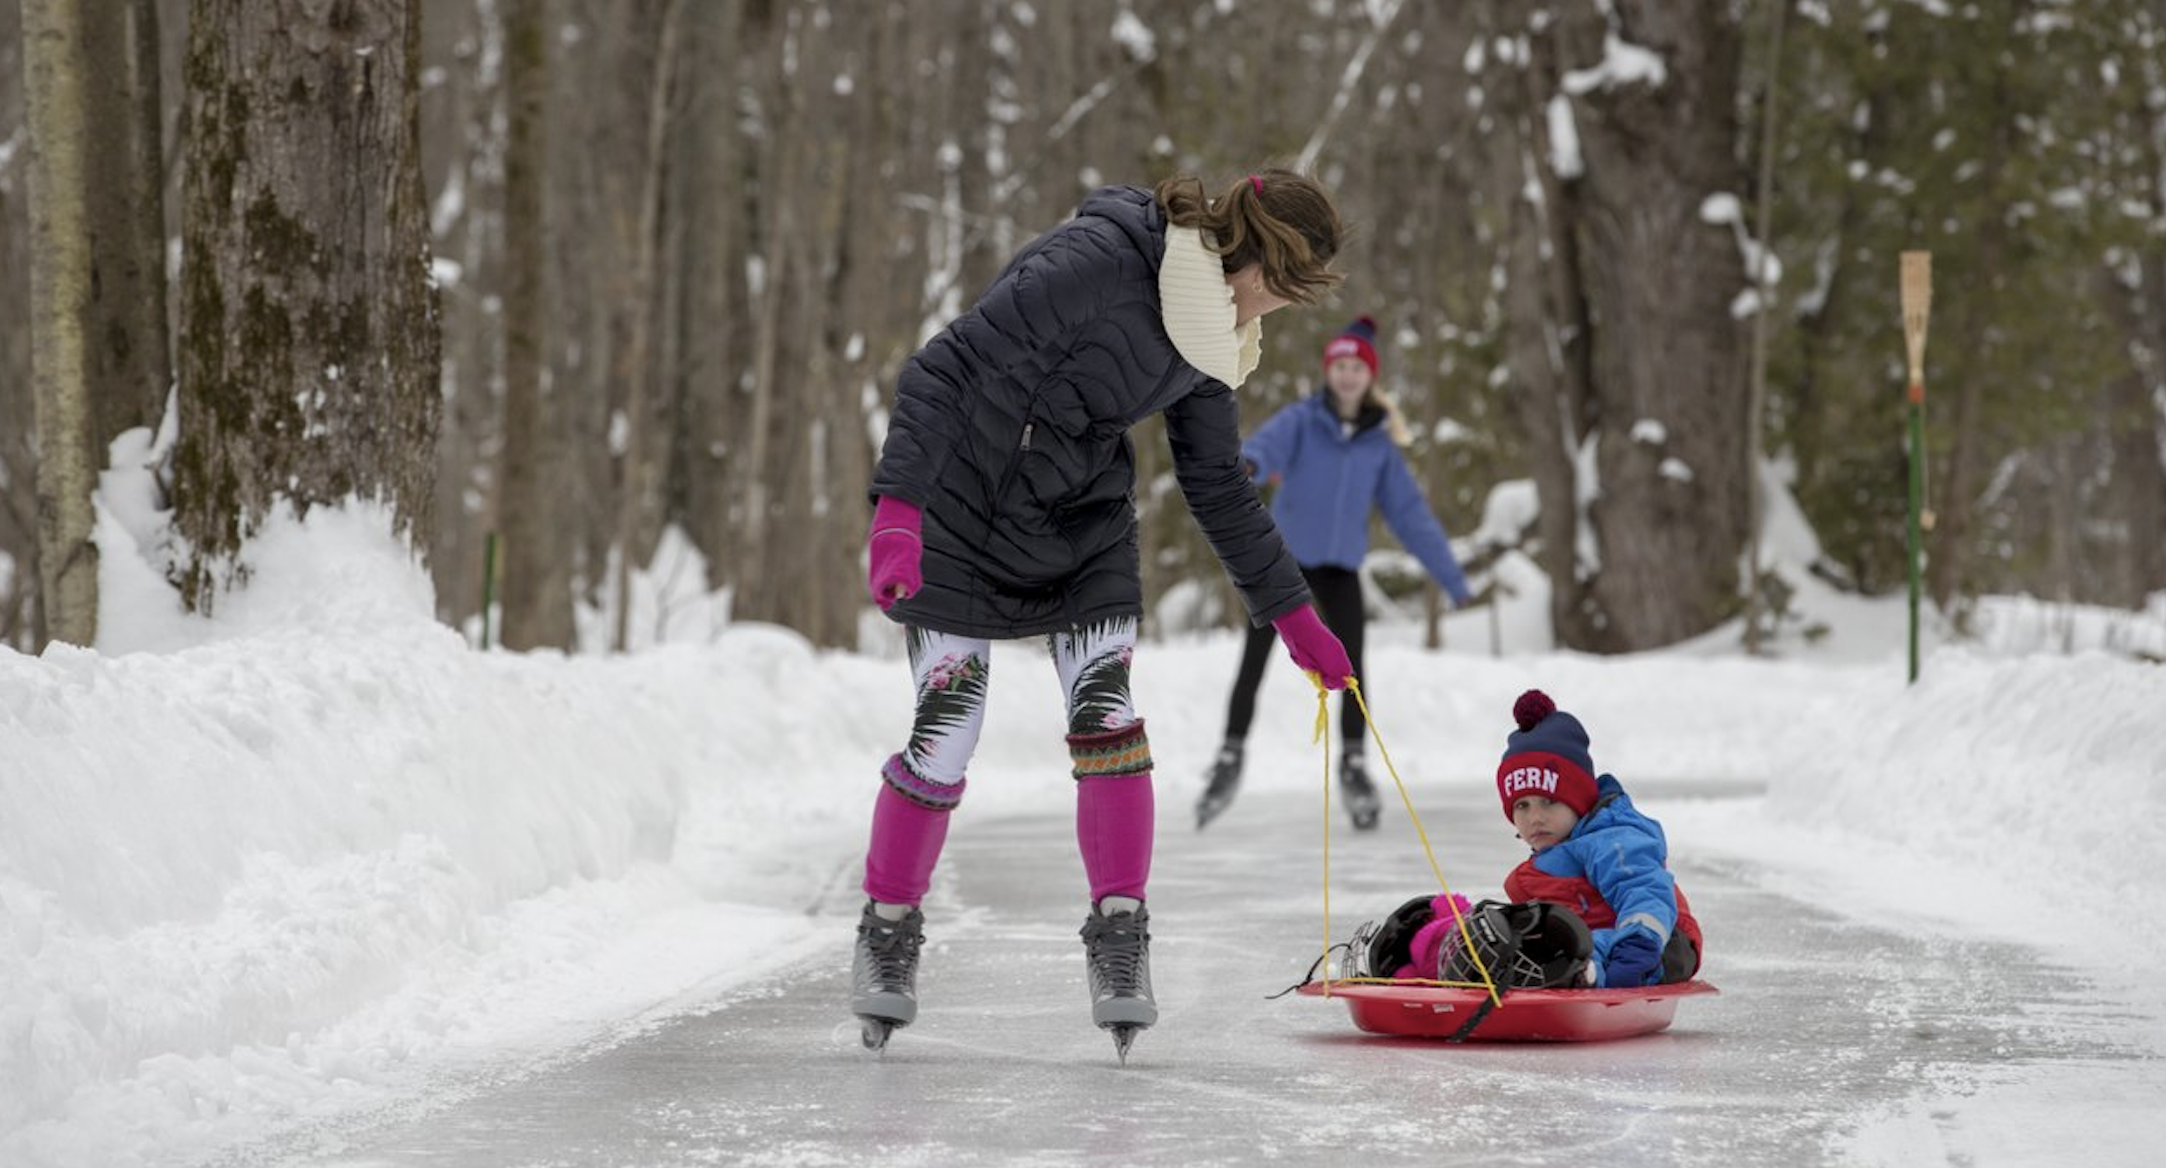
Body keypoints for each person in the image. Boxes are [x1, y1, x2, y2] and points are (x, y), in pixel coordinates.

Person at [851, 168, 1358, 1056]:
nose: (1271, 314)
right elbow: (943, 367)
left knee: (1108, 716)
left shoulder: (1210, 340)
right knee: (948, 724)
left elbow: (1216, 487)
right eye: (1278, 291)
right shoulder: (1098, 264)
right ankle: (888, 932)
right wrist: (899, 513)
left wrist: (1294, 617)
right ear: (1253, 257)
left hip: (1081, 527)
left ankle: (1120, 939)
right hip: (961, 515)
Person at [1195, 316, 1474, 831]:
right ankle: (1230, 754)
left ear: (1370, 377)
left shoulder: (1379, 447)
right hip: (1284, 564)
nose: (1347, 376)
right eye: (1339, 366)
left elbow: (1411, 517)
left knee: (1351, 670)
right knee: (1253, 662)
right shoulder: (1303, 420)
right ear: (1329, 371)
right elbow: (1264, 448)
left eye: (1356, 367)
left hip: (1341, 570)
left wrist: (1452, 580)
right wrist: (1249, 466)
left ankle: (1353, 763)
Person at [1491, 688, 1703, 986]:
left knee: (1586, 947)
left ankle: (1582, 975)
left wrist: (1639, 943)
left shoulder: (1612, 839)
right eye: (1522, 806)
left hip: (1660, 940)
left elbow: (1644, 890)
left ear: (1578, 800)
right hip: (1600, 940)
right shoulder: (1548, 860)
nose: (1534, 817)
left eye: (1548, 802)